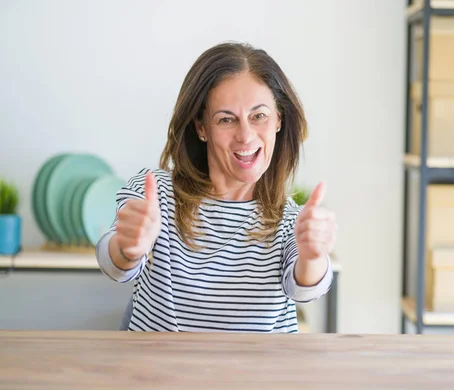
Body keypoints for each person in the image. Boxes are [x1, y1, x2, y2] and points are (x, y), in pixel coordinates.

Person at [95, 42, 337, 333]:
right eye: (226, 119)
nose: (245, 136)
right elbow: (114, 265)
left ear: (278, 120)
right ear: (201, 128)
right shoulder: (154, 194)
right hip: (159, 375)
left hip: (256, 376)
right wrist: (128, 248)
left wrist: (314, 256)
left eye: (258, 116)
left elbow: (305, 289)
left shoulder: (289, 220)